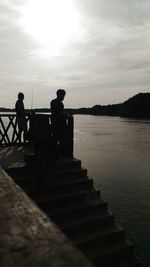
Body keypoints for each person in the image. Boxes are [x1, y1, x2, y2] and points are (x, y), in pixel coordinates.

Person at [50, 89, 68, 156]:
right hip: (59, 125)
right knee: (60, 139)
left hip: (54, 123)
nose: (63, 97)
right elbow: (58, 114)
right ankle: (59, 154)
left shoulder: (52, 102)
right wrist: (65, 115)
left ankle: (54, 153)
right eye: (63, 95)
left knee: (55, 139)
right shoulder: (59, 103)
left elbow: (55, 113)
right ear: (59, 95)